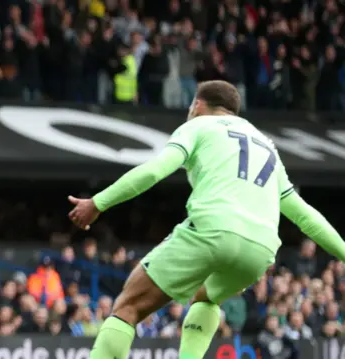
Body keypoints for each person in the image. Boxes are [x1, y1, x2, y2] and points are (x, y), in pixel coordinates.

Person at [67, 80, 345, 359]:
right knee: (207, 296)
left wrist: (98, 202)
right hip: (260, 250)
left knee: (128, 306)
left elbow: (154, 171)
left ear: (198, 105)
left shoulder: (198, 125)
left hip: (212, 230)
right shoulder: (267, 146)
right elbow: (306, 216)